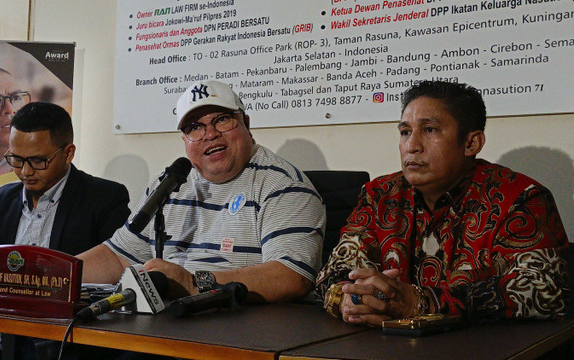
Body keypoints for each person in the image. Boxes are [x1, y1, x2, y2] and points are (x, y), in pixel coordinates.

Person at [316, 80, 569, 325]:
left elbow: (545, 290)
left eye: (429, 130)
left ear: (471, 143)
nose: (412, 146)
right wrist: (349, 299)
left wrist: (422, 302)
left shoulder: (519, 198)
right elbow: (335, 271)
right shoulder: (379, 195)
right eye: (405, 132)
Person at [79, 80, 325, 304]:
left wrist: (191, 283)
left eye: (221, 120)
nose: (210, 134)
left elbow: (291, 277)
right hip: (165, 322)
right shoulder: (170, 185)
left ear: (246, 124)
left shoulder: (283, 186)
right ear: (184, 139)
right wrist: (53, 274)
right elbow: (119, 257)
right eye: (195, 127)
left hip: (236, 327)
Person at [0, 102, 131, 360]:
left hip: (68, 338)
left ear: (68, 153)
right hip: (3, 333)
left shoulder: (103, 198)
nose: (25, 172)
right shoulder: (1, 200)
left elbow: (119, 277)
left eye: (38, 161)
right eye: (16, 159)